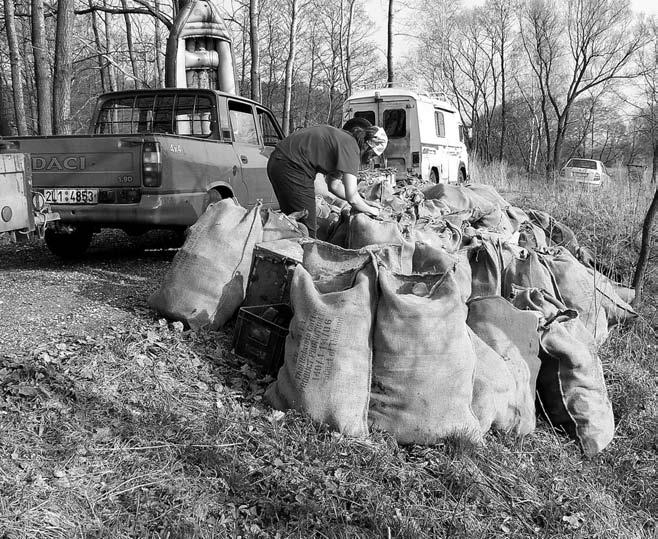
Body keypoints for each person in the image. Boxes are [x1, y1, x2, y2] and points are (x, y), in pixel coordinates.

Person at [266, 118, 388, 238]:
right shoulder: (352, 148)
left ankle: (281, 250)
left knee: (293, 219)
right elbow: (353, 198)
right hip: (292, 166)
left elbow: (334, 185)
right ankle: (298, 254)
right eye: (372, 155)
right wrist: (373, 211)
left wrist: (365, 202)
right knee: (306, 230)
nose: (370, 159)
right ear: (368, 147)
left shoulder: (344, 140)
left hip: (278, 161)